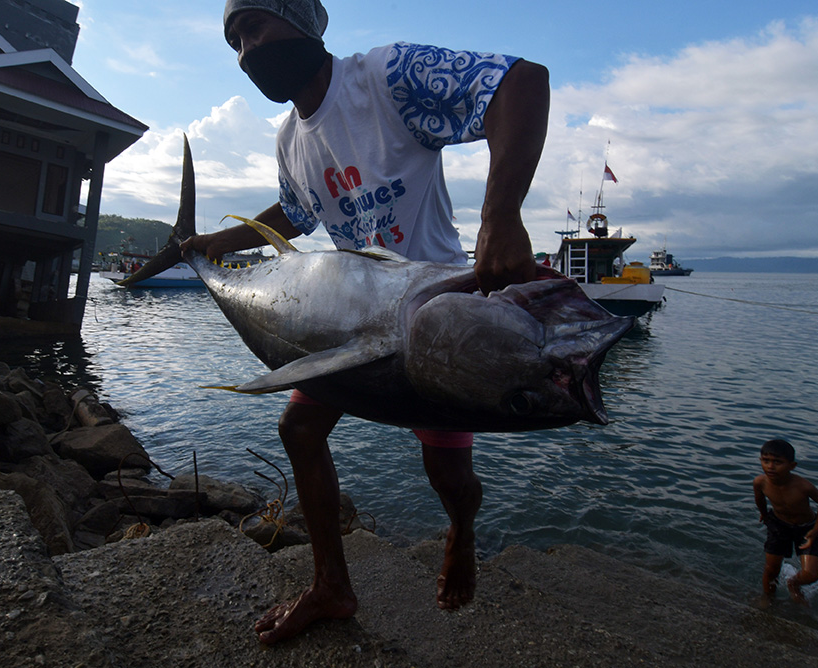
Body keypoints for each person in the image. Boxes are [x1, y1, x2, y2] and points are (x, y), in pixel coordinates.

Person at [180, 0, 549, 643]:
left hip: (435, 318)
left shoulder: (385, 76)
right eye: (234, 40)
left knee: (450, 477)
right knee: (298, 426)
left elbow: (520, 82)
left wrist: (501, 215)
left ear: (304, 23)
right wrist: (222, 241)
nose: (246, 52)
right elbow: (302, 210)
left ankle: (461, 530)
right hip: (350, 316)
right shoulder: (290, 138)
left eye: (256, 27)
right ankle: (331, 587)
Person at [753, 438, 818, 605]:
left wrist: (816, 529)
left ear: (792, 466)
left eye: (778, 462)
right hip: (779, 525)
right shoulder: (760, 482)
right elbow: (759, 498)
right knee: (771, 569)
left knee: (811, 574)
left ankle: (793, 583)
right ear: (760, 461)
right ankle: (768, 599)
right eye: (766, 461)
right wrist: (763, 514)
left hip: (806, 528)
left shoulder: (803, 486)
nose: (771, 466)